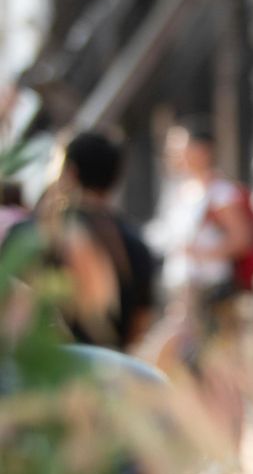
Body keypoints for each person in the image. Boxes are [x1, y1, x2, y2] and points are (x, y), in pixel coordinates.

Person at [146, 118, 253, 464]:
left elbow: (242, 239)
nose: (175, 154)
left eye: (183, 146)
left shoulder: (220, 193)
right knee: (181, 366)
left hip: (214, 293)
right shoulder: (183, 190)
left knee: (219, 369)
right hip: (187, 295)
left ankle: (228, 452)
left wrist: (201, 251)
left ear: (202, 150)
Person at [5, 131, 159, 351]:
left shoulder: (30, 236)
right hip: (112, 369)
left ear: (69, 172)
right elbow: (140, 323)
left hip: (40, 371)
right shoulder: (135, 243)